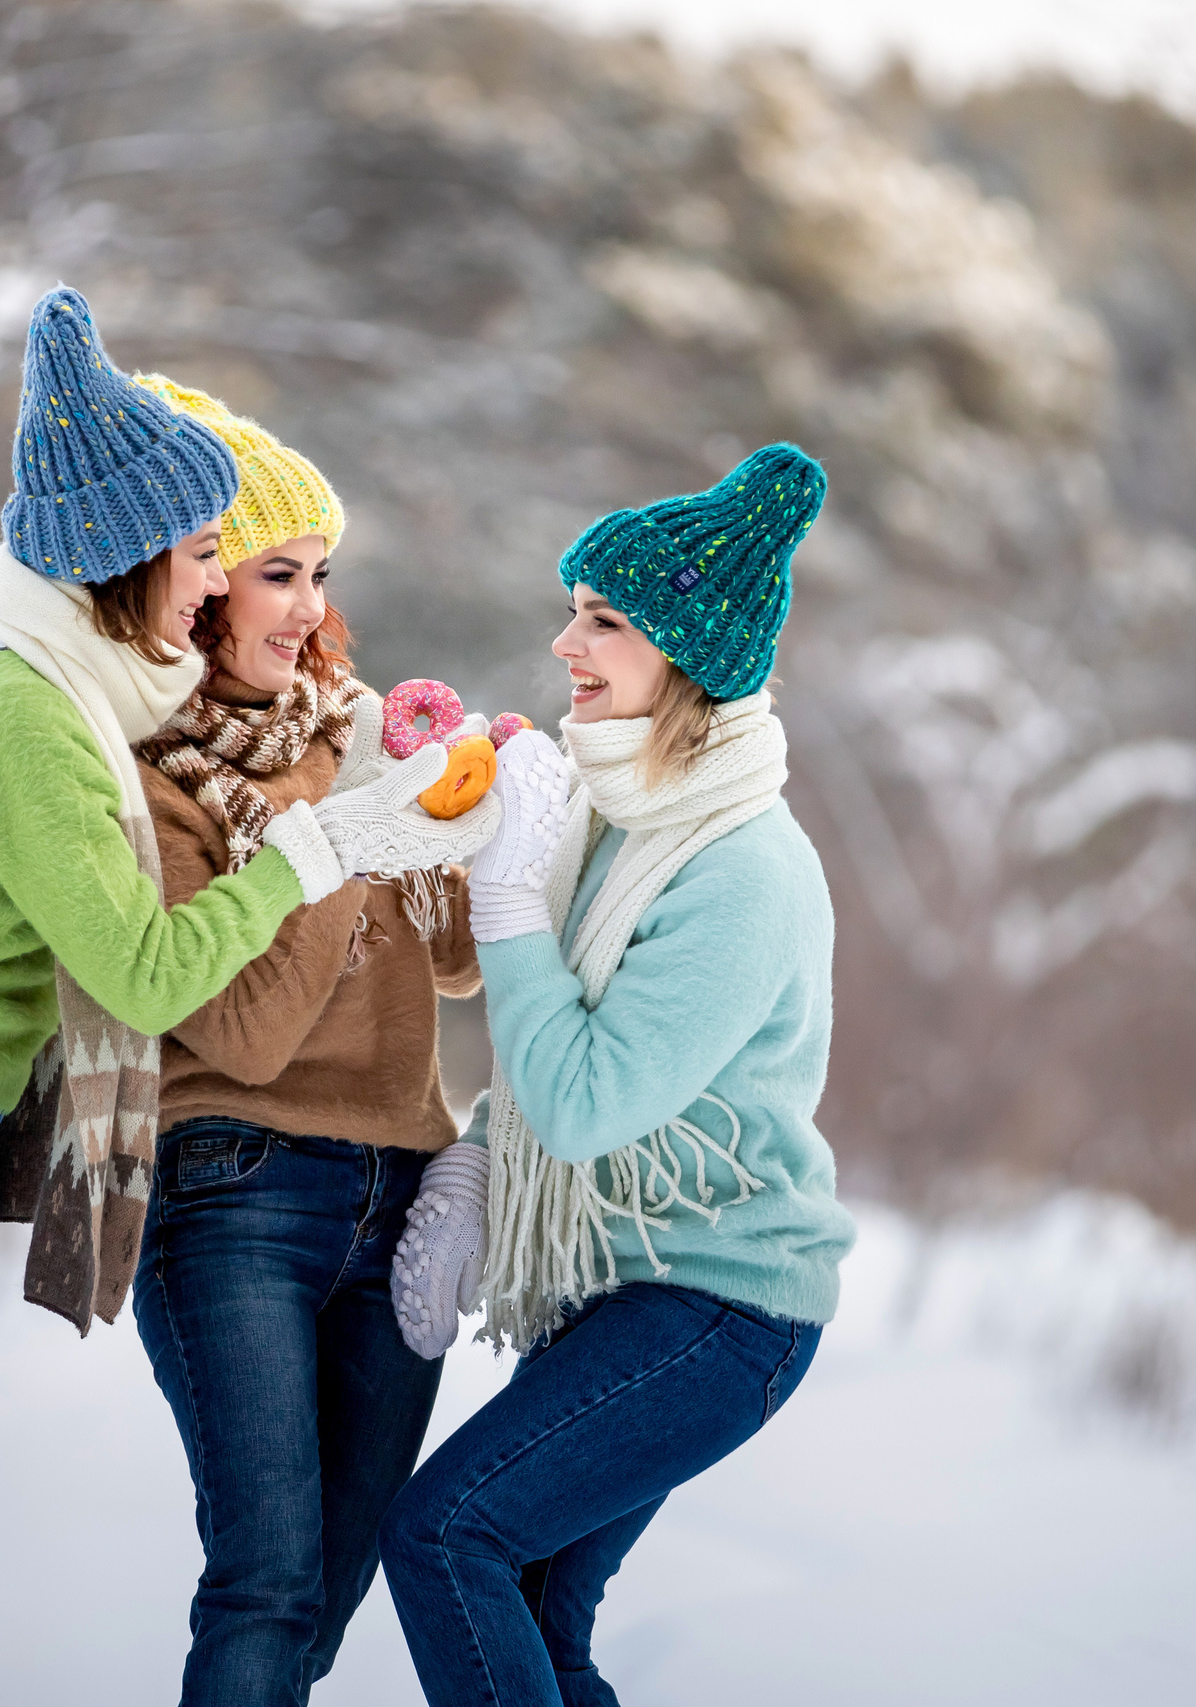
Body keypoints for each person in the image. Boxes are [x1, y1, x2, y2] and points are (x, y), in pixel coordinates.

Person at [0, 287, 482, 1707]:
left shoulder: (89, 702)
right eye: (206, 554)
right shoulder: (24, 711)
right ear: (130, 560)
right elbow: (145, 969)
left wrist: (398, 790)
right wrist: (320, 840)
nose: (220, 585)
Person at [379, 444, 859, 1707]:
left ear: (685, 658)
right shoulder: (618, 819)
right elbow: (544, 1047)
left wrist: (507, 911)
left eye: (602, 620)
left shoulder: (740, 868)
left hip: (721, 1304)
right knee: (536, 1604)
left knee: (447, 1537)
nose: (563, 643)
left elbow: (586, 1101)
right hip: (630, 1279)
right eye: (573, 611)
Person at [123, 377, 485, 1707]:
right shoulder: (155, 777)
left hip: (406, 1196)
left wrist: (454, 822)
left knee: (325, 1592)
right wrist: (342, 826)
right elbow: (248, 1031)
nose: (311, 607)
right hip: (237, 1187)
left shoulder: (353, 720)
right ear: (198, 579)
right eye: (276, 571)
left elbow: (449, 970)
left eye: (322, 573)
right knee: (266, 1579)